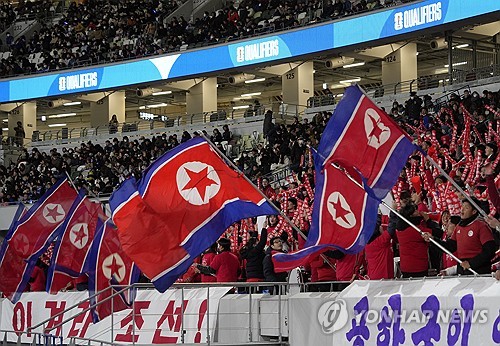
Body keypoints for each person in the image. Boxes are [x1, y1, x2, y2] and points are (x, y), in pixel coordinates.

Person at [423, 198, 496, 275]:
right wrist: (433, 239)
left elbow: (489, 251)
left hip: (479, 271)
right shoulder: (459, 227)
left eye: (466, 208)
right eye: (462, 207)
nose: (462, 210)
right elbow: (450, 247)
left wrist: (471, 263)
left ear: (474, 211)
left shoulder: (481, 226)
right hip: (463, 269)